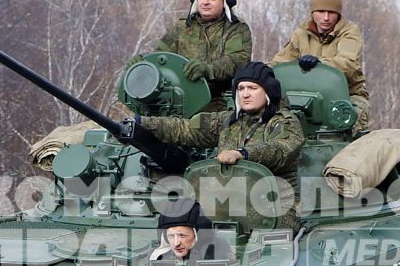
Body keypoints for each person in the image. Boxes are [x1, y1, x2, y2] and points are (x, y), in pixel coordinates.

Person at [126, 62, 305, 231]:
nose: (245, 94)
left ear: (268, 91)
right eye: (241, 88)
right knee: (180, 225)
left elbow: (280, 150)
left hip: (274, 207)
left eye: (252, 88)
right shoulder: (227, 121)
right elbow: (184, 128)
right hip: (226, 204)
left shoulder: (284, 122)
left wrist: (243, 153)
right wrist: (142, 123)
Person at [273, 0, 370, 129]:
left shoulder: (349, 32)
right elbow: (279, 64)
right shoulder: (301, 34)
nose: (326, 18)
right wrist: (254, 72)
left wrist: (319, 63)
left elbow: (347, 63)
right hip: (306, 98)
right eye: (321, 11)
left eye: (331, 12)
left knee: (347, 124)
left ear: (338, 13)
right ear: (312, 12)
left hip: (347, 96)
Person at [154, 0, 252, 109]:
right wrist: (142, 63)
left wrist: (208, 70)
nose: (205, 2)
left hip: (217, 103)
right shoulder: (181, 27)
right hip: (177, 100)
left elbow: (237, 60)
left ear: (224, 0)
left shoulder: (236, 29)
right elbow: (161, 57)